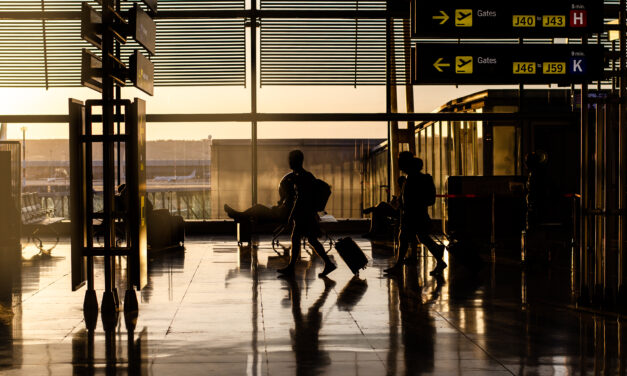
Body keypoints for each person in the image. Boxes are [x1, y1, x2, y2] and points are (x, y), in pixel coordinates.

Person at [385, 152, 446, 276]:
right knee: (421, 238)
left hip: (414, 215)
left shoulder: (411, 180)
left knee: (408, 238)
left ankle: (399, 265)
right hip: (417, 214)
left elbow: (410, 199)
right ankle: (439, 259)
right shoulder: (416, 179)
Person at [277, 150, 336, 277]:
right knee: (303, 239)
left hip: (304, 214)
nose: (289, 162)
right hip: (307, 213)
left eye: (291, 159)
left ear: (296, 161)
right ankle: (293, 267)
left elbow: (300, 199)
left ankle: (326, 264)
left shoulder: (301, 177)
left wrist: (291, 216)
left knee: (304, 239)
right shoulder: (305, 175)